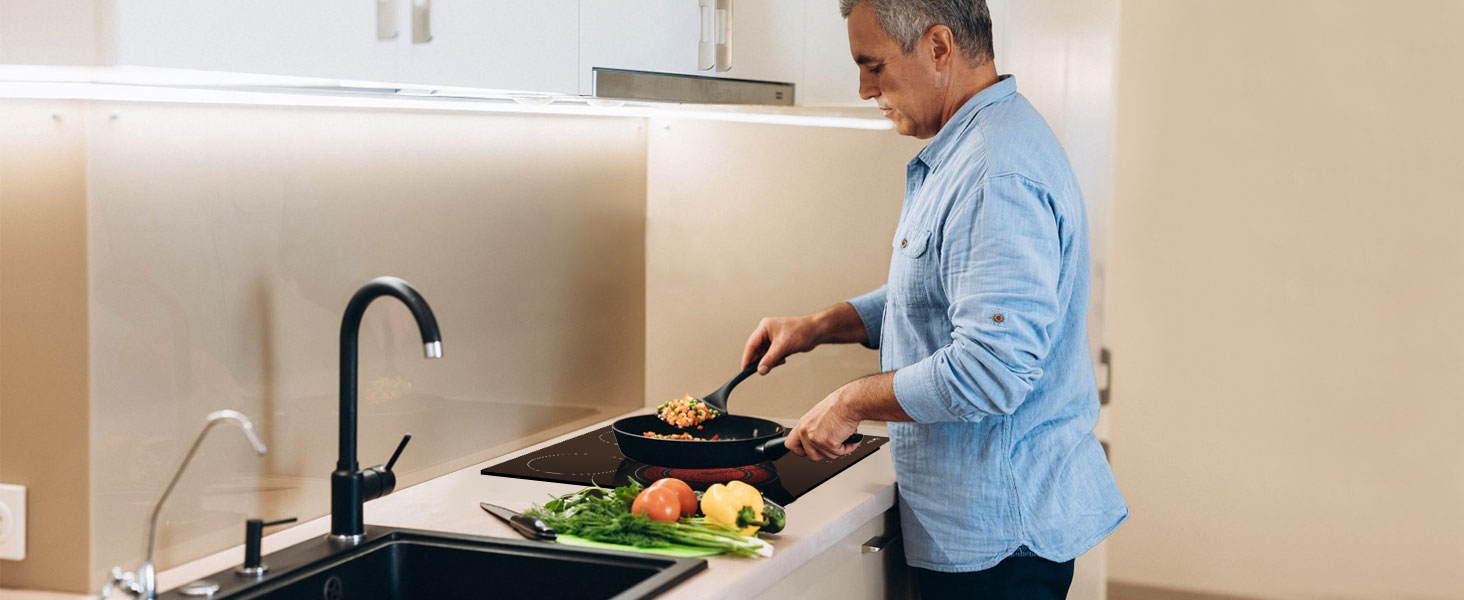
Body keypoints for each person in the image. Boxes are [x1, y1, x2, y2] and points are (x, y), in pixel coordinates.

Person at [740, 1, 1127, 597]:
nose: (865, 89)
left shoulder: (993, 173)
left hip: (1000, 540)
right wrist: (821, 325)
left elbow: (990, 370)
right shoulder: (981, 144)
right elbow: (942, 291)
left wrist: (850, 402)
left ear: (939, 47)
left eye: (873, 65)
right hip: (988, 527)